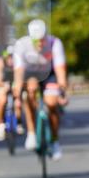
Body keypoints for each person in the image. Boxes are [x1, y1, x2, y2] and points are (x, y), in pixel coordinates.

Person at [12, 19, 69, 160]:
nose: (40, 43)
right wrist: (17, 94)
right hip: (30, 74)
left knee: (52, 103)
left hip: (49, 74)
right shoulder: (21, 45)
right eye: (36, 40)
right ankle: (31, 132)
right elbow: (19, 73)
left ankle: (55, 141)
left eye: (42, 40)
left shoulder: (54, 43)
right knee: (29, 93)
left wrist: (62, 91)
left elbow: (60, 71)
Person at [0, 45, 21, 141]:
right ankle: (0, 124)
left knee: (18, 103)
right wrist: (4, 85)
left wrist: (16, 87)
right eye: (8, 56)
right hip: (3, 85)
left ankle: (19, 122)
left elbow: (19, 77)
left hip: (14, 84)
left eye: (12, 56)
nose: (10, 59)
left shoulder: (17, 63)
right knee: (2, 101)